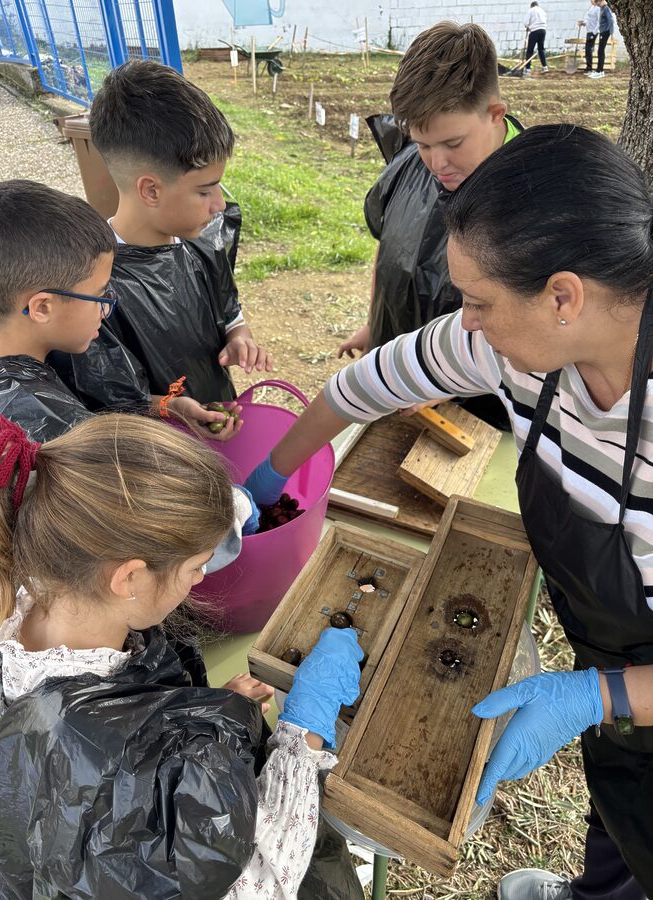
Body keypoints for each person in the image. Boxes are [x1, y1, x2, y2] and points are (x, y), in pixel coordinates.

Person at [246, 124, 653, 899]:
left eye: (477, 302)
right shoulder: (502, 348)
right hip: (607, 643)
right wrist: (270, 475)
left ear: (562, 296)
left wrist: (600, 695)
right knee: (617, 788)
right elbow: (361, 386)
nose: (463, 321)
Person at [0, 412, 364, 899]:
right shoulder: (96, 762)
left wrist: (205, 718)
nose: (202, 578)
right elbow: (256, 880)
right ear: (129, 577)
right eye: (196, 566)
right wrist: (302, 734)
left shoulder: (50, 592)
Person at [50, 59, 270, 441]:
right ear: (151, 189)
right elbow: (106, 407)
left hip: (217, 422)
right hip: (158, 455)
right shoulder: (91, 289)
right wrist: (171, 409)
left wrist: (239, 337)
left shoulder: (204, 241)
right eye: (205, 190)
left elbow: (229, 309)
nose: (219, 204)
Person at [337, 22, 522, 429]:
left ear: (495, 115)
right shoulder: (410, 163)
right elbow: (388, 249)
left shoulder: (532, 192)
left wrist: (454, 382)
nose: (437, 163)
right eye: (423, 144)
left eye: (453, 144)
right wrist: (375, 325)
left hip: (477, 412)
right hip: (400, 379)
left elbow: (544, 326)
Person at [0, 180, 237, 443]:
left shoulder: (5, 375)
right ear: (43, 308)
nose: (105, 311)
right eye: (99, 296)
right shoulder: (50, 436)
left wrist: (168, 407)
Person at [589, 0, 615, 80]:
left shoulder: (606, 8)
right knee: (600, 51)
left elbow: (611, 21)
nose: (597, 5)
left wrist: (612, 34)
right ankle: (600, 71)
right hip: (602, 31)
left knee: (600, 51)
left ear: (600, 1)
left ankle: (599, 71)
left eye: (597, 3)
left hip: (605, 32)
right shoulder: (602, 8)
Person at [523, 2, 549, 74]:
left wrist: (528, 27)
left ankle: (527, 69)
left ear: (531, 6)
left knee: (530, 50)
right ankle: (545, 67)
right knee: (541, 49)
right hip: (543, 30)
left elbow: (526, 23)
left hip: (534, 31)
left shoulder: (531, 10)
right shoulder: (542, 11)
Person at [579, 0, 601, 73]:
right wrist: (583, 23)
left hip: (593, 32)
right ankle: (588, 66)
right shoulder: (591, 7)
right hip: (589, 31)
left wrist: (594, 33)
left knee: (589, 49)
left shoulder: (598, 9)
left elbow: (599, 22)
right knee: (587, 50)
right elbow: (589, 20)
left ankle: (589, 68)